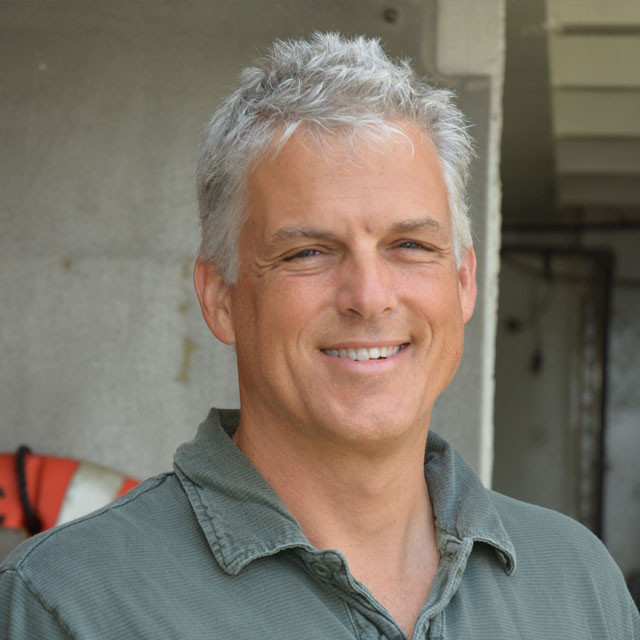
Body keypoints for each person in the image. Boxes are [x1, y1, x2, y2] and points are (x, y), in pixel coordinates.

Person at [0, 32, 637, 640]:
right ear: (220, 297)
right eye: (308, 252)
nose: (369, 297)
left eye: (410, 245)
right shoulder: (68, 603)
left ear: (464, 282)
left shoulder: (579, 583)